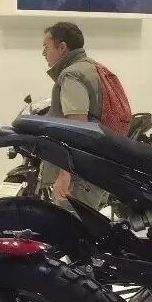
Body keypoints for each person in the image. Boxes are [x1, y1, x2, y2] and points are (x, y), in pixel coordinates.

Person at [40, 21, 104, 207]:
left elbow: (77, 129)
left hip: (79, 177)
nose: (43, 53)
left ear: (62, 47)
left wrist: (65, 173)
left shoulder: (72, 75)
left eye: (46, 47)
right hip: (95, 170)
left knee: (69, 223)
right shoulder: (93, 68)